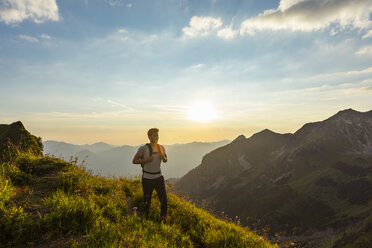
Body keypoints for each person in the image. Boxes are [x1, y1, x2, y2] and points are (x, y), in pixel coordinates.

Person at [132, 128, 168, 222]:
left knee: (164, 201)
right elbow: (134, 160)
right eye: (154, 135)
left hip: (159, 177)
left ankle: (163, 220)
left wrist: (163, 158)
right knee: (147, 201)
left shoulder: (161, 147)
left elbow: (166, 159)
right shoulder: (143, 148)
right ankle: (146, 220)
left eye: (157, 135)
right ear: (149, 137)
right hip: (147, 178)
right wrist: (146, 160)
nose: (156, 137)